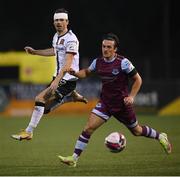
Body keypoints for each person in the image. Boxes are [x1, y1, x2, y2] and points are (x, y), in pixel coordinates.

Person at [58, 33, 172, 167]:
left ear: (115, 49)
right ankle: (74, 158)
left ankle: (160, 136)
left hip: (122, 105)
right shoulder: (98, 62)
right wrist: (75, 73)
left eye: (109, 47)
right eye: (103, 46)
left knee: (137, 131)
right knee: (88, 128)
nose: (105, 49)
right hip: (105, 103)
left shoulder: (123, 62)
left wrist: (131, 96)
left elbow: (138, 79)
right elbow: (87, 72)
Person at [11, 8, 87, 141]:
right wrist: (35, 52)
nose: (59, 22)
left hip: (66, 79)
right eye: (56, 20)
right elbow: (54, 51)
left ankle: (28, 132)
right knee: (44, 109)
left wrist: (56, 81)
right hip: (58, 76)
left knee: (39, 99)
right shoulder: (56, 36)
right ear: (53, 22)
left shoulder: (71, 39)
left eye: (62, 20)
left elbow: (68, 64)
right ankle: (70, 97)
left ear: (67, 22)